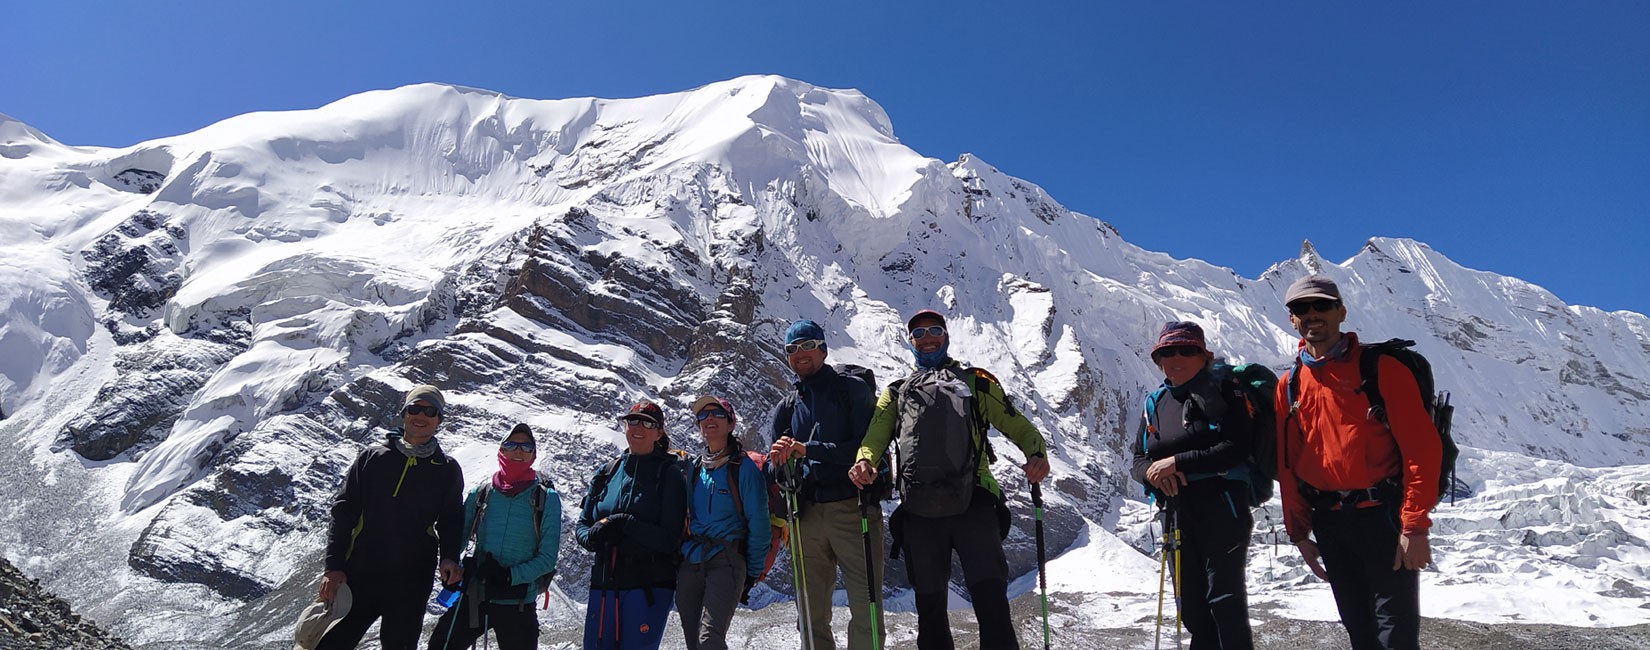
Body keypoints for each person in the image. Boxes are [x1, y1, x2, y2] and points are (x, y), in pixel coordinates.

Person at [849, 309, 1051, 650]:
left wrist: (1037, 454)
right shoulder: (958, 384)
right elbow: (875, 438)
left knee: (932, 611)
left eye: (934, 331)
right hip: (974, 506)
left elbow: (874, 439)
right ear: (910, 342)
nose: (927, 338)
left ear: (946, 336)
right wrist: (864, 461)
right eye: (919, 334)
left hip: (924, 511)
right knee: (990, 604)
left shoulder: (910, 390)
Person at [1274, 275, 1442, 650]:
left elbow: (1422, 449)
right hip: (1329, 521)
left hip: (1383, 517)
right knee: (1359, 631)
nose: (1312, 314)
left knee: (1394, 634)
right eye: (1302, 308)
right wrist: (1299, 533)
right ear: (1292, 319)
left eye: (1322, 306)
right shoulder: (1288, 385)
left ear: (1341, 312)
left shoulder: (1381, 369)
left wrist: (1414, 526)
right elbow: (1289, 466)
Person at [1130, 321, 1255, 650]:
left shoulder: (1225, 391)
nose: (1176, 358)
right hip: (1176, 514)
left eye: (1187, 350)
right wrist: (1153, 473)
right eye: (1166, 352)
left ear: (1204, 356)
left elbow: (1238, 446)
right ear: (1158, 361)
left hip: (1222, 504)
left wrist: (1177, 463)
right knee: (1193, 609)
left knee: (1225, 603)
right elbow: (1138, 459)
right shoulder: (1154, 403)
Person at [317, 385, 465, 650]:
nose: (421, 415)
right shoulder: (372, 457)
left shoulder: (447, 469)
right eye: (415, 408)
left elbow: (451, 519)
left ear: (439, 420)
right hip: (358, 574)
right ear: (404, 413)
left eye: (430, 411)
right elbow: (344, 511)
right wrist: (333, 566)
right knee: (329, 643)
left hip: (412, 580)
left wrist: (450, 557)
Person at [768, 319, 884, 650]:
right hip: (805, 514)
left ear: (823, 349)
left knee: (866, 606)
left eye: (807, 346)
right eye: (792, 349)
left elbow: (865, 448)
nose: (800, 354)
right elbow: (780, 473)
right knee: (810, 612)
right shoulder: (787, 407)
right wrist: (779, 463)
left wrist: (808, 449)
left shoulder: (852, 391)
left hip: (853, 506)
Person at [427, 423, 562, 650]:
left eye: (526, 447)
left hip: (518, 601)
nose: (518, 451)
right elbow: (457, 539)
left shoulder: (546, 499)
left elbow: (547, 558)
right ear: (501, 450)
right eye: (511, 445)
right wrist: (449, 564)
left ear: (534, 454)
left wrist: (509, 576)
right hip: (476, 594)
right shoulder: (481, 493)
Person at [576, 400, 689, 650]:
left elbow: (670, 540)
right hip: (604, 582)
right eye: (633, 421)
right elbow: (583, 524)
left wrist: (626, 524)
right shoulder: (607, 472)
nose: (639, 427)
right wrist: (592, 537)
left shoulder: (668, 474)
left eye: (648, 423)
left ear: (659, 432)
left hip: (648, 584)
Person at [676, 396, 771, 650]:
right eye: (702, 416)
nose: (708, 419)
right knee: (693, 641)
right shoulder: (696, 468)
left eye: (717, 414)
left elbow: (759, 523)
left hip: (726, 560)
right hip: (692, 560)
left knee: (709, 639)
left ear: (731, 424)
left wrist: (751, 573)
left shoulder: (744, 469)